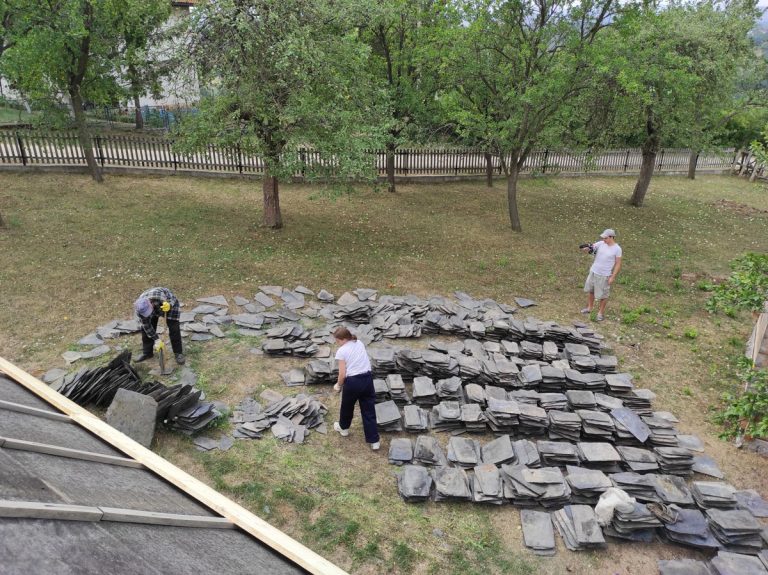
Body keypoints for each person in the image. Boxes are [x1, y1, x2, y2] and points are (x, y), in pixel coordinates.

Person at [332, 326, 380, 450]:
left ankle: (344, 428)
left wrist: (338, 385)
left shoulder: (342, 351)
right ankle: (374, 441)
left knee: (347, 407)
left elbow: (342, 374)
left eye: (337, 341)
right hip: (367, 379)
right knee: (369, 410)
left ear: (343, 339)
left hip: (353, 382)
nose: (337, 343)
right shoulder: (359, 343)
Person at [133, 287, 185, 364]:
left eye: (148, 311)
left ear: (150, 303)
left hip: (169, 305)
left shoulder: (158, 297)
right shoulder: (140, 310)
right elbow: (147, 326)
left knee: (174, 328)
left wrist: (169, 305)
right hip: (155, 306)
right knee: (145, 330)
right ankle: (147, 353)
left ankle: (178, 353)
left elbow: (173, 298)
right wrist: (157, 340)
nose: (148, 314)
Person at [581, 228, 622, 322]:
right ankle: (589, 308)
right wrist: (587, 248)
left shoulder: (617, 249)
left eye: (606, 238)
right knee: (591, 291)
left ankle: (600, 313)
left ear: (612, 237)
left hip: (604, 275)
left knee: (603, 295)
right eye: (603, 238)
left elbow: (618, 264)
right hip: (594, 271)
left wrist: (613, 276)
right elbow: (592, 248)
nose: (604, 239)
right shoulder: (601, 243)